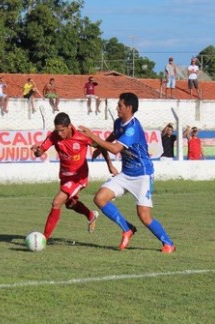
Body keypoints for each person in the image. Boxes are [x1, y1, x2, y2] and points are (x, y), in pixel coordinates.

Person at [79, 92, 175, 253]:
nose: (117, 108)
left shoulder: (133, 128)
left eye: (120, 105)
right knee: (100, 198)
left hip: (143, 174)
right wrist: (103, 155)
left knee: (144, 215)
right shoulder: (119, 122)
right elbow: (110, 139)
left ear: (129, 108)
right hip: (126, 174)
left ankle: (168, 243)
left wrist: (93, 136)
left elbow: (116, 148)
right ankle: (127, 229)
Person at [31, 112, 114, 242]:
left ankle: (43, 239)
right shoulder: (54, 136)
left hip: (78, 177)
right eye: (57, 130)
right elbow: (40, 151)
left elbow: (101, 146)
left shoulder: (82, 137)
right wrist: (36, 151)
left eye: (62, 130)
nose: (59, 134)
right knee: (70, 204)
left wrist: (110, 166)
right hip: (65, 176)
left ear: (69, 126)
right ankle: (90, 215)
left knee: (57, 202)